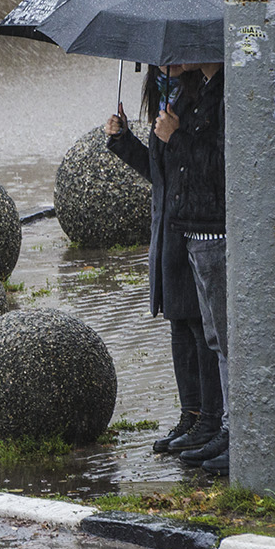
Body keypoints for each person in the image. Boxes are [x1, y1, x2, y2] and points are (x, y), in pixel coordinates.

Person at [105, 65, 222, 457]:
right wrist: (124, 141)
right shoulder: (165, 97)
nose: (164, 66)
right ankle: (191, 414)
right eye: (158, 63)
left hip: (194, 225)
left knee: (201, 328)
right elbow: (161, 172)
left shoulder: (198, 99)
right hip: (169, 227)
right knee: (180, 324)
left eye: (169, 60)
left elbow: (204, 165)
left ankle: (211, 417)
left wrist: (176, 136)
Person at [159, 62, 229, 476]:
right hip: (192, 229)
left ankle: (227, 428)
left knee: (222, 339)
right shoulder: (196, 90)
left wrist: (178, 135)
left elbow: (217, 163)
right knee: (213, 336)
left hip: (212, 231)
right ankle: (213, 423)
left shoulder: (220, 94)